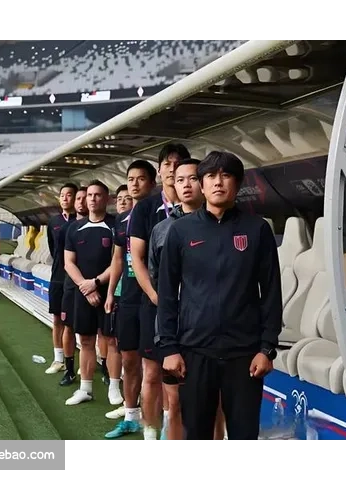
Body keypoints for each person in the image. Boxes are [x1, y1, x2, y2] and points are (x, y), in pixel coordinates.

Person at [157, 151, 283, 440]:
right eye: (211, 176)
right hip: (194, 351)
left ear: (237, 184)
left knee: (244, 436)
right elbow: (167, 293)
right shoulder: (180, 231)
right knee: (197, 435)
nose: (218, 182)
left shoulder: (257, 229)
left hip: (245, 354)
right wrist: (169, 348)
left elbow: (271, 291)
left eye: (226, 176)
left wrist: (267, 348)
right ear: (202, 184)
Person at [148, 157, 224, 440]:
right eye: (180, 180)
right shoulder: (162, 230)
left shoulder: (224, 225)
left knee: (215, 404)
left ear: (203, 183)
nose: (186, 185)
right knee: (176, 403)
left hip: (213, 332)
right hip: (174, 332)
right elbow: (157, 278)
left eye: (193, 178)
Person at [129, 143, 190, 440]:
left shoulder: (198, 207)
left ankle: (171, 429)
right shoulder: (145, 208)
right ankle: (150, 432)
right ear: (160, 170)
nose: (172, 169)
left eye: (178, 164)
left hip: (189, 307)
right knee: (152, 372)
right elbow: (137, 259)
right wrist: (157, 297)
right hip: (154, 303)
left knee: (180, 378)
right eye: (167, 164)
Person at [104, 160, 158, 438]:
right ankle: (131, 416)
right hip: (128, 298)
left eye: (141, 179)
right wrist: (111, 292)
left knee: (154, 365)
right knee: (129, 359)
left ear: (152, 183)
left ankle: (159, 422)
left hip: (153, 299)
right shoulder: (122, 220)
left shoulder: (159, 214)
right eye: (131, 179)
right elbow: (117, 259)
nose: (135, 184)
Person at [64, 180, 115, 405]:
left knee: (111, 340)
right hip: (83, 292)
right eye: (89, 195)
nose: (92, 199)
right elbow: (68, 262)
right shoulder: (75, 228)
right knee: (85, 340)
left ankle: (114, 385)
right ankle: (85, 389)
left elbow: (118, 261)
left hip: (109, 291)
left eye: (98, 195)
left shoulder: (115, 225)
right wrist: (85, 287)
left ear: (107, 199)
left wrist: (96, 282)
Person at [98, 185, 134, 406]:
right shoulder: (115, 226)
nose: (122, 202)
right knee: (111, 339)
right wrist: (109, 290)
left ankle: (133, 398)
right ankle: (113, 385)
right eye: (119, 198)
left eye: (127, 198)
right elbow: (115, 260)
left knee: (130, 348)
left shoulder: (142, 222)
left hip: (133, 293)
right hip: (115, 290)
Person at [45, 183, 78, 376]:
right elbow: (53, 249)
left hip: (75, 278)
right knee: (57, 318)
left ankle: (77, 359)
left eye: (69, 195)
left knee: (76, 321)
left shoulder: (80, 220)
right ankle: (58, 359)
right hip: (58, 276)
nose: (65, 198)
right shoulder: (53, 222)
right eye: (62, 195)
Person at [59, 187, 88, 387]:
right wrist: (80, 282)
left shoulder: (109, 225)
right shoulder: (68, 229)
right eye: (79, 198)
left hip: (97, 285)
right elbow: (63, 258)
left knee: (101, 332)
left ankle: (105, 370)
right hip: (71, 286)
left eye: (85, 198)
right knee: (68, 326)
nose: (82, 202)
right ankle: (69, 369)